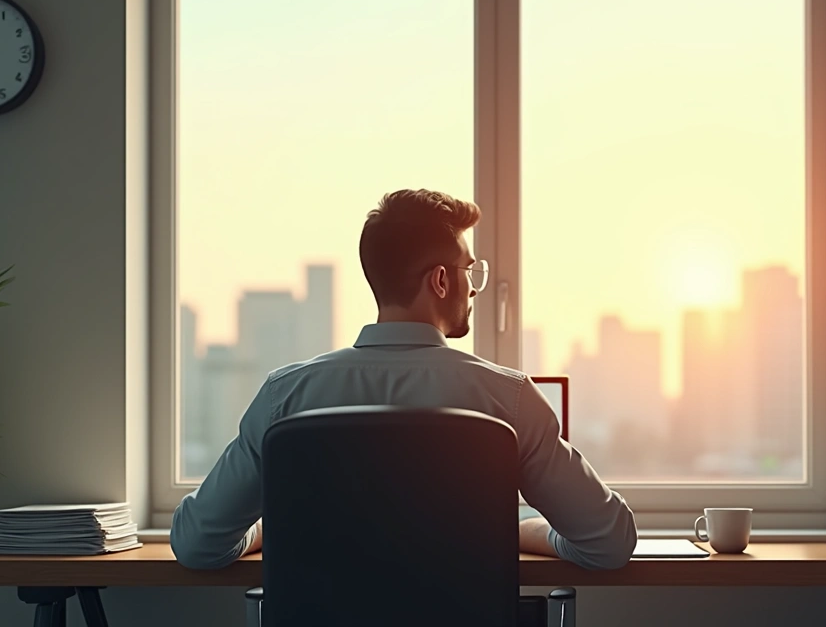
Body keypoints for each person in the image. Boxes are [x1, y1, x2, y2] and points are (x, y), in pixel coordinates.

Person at [170, 189, 637, 570]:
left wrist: (277, 529)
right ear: (439, 281)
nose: (474, 288)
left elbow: (197, 545)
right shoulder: (507, 398)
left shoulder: (286, 397)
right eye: (469, 272)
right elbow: (608, 543)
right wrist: (507, 529)